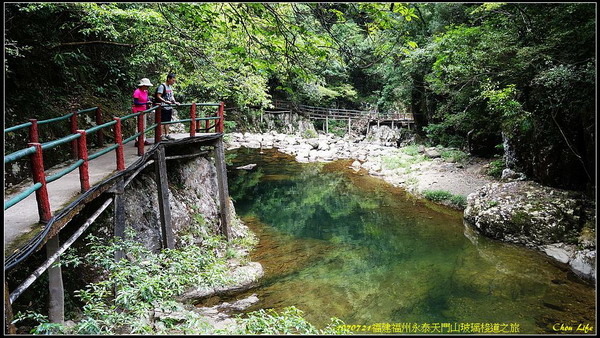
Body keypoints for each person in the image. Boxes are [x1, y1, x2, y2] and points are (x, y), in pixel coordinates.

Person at [155, 73, 180, 140]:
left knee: (168, 121)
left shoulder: (170, 87)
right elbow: (158, 96)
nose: (173, 82)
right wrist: (165, 102)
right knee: (162, 122)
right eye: (173, 80)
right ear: (168, 79)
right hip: (163, 107)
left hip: (169, 107)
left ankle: (167, 134)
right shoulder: (162, 86)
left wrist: (175, 102)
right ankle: (161, 136)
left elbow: (171, 96)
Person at [132, 78, 153, 146]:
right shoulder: (137, 92)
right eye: (147, 86)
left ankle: (143, 139)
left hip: (143, 110)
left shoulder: (145, 91)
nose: (148, 87)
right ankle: (138, 140)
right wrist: (145, 103)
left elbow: (147, 99)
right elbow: (136, 102)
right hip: (138, 111)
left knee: (144, 126)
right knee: (138, 125)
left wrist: (148, 102)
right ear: (143, 85)